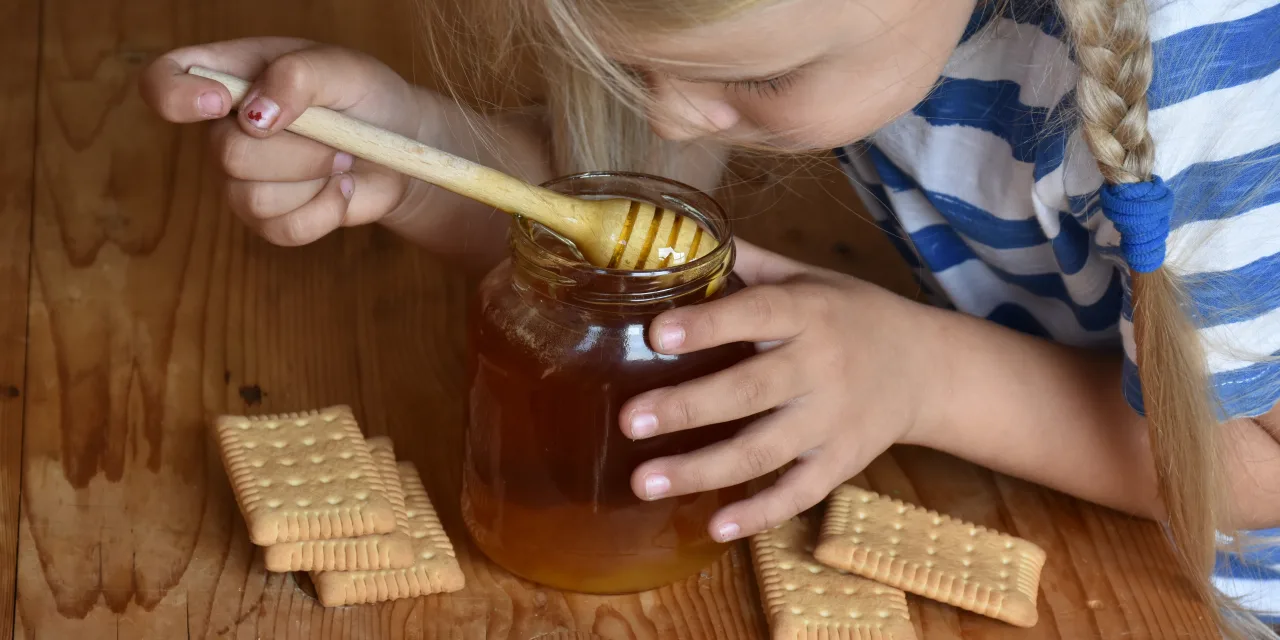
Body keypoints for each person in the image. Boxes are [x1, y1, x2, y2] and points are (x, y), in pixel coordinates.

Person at [140, 0, 1280, 633]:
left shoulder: (1211, 79)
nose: (677, 116)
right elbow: (626, 239)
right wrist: (406, 159)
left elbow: (1257, 467)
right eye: (632, 66)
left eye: (761, 84)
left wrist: (923, 375)